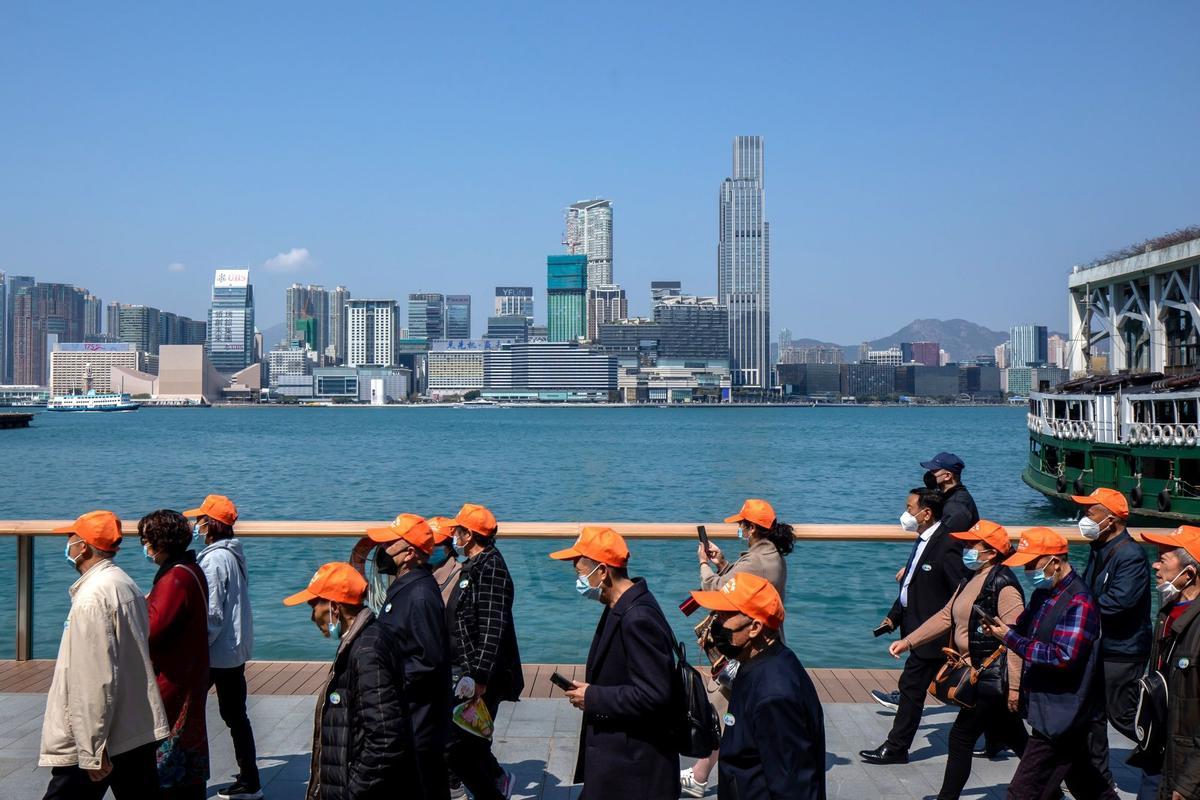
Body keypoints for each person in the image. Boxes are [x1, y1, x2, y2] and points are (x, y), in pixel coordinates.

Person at [888, 520, 1027, 800]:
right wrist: (908, 641)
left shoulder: (1004, 585)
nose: (965, 548)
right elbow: (945, 616)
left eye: (971, 545)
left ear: (990, 552)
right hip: (978, 672)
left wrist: (1014, 687)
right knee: (1017, 738)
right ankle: (1055, 786)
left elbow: (1015, 639)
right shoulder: (970, 578)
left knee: (960, 737)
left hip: (992, 676)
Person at [980, 527, 1118, 800]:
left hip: (1065, 711)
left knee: (1022, 791)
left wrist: (1009, 638)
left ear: (1055, 562)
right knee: (1085, 782)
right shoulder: (1043, 594)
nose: (1028, 570)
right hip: (1049, 705)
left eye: (1033, 563)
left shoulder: (1079, 601)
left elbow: (1062, 656)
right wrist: (1000, 630)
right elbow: (1022, 630)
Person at [39, 510, 169, 800]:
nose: (68, 545)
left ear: (83, 546)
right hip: (133, 728)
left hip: (101, 739)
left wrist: (91, 749)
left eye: (71, 538)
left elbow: (93, 679)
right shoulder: (125, 584)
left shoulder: (91, 599)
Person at [549, 527, 680, 800]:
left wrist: (593, 696)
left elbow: (656, 694)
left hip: (634, 768)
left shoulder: (637, 618)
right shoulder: (620, 605)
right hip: (618, 761)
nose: (578, 576)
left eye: (580, 571)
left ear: (603, 571)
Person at [682, 498, 794, 797]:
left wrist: (705, 565)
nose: (739, 529)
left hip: (746, 644)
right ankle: (701, 774)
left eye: (742, 525)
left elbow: (717, 589)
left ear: (752, 527)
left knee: (722, 707)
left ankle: (704, 775)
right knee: (725, 705)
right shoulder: (772, 555)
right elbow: (746, 581)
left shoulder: (754, 560)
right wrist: (723, 563)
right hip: (765, 642)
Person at [284, 562, 417, 800]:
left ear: (334, 607)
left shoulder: (367, 651)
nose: (311, 616)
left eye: (313, 605)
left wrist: (352, 789)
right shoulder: (359, 641)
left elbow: (385, 738)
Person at [690, 572, 825, 800]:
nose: (715, 623)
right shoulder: (753, 663)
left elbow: (794, 787)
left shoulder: (775, 694)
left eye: (724, 615)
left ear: (754, 627)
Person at [861, 487, 966, 765]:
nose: (906, 514)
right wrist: (894, 616)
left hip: (931, 634)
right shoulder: (923, 540)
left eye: (909, 508)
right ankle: (1005, 736)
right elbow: (911, 586)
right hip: (916, 629)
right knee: (923, 691)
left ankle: (896, 748)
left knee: (910, 688)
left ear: (926, 513)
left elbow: (960, 591)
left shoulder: (947, 544)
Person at [366, 513, 452, 800]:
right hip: (410, 714)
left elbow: (429, 659)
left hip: (420, 719)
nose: (383, 550)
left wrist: (387, 681)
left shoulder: (419, 596)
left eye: (389, 544)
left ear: (409, 554)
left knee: (425, 786)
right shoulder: (405, 587)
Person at [1072, 487, 1153, 787]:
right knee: (1093, 715)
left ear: (1112, 519)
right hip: (1100, 647)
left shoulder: (1130, 555)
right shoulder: (1099, 546)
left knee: (1122, 714)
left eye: (1091, 512)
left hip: (1122, 650)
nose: (1085, 518)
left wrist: (1076, 609)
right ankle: (1098, 777)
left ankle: (1168, 749)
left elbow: (1119, 602)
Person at [185, 494, 262, 800]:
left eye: (201, 519)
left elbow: (212, 614)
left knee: (191, 713)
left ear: (212, 524)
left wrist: (195, 650)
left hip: (217, 653)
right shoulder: (232, 553)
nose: (196, 524)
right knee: (236, 715)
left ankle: (241, 780)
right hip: (233, 649)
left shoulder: (215, 560)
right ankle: (250, 776)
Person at [444, 503, 523, 800]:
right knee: (467, 743)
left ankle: (494, 785)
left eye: (458, 530)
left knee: (464, 745)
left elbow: (492, 628)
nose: (454, 535)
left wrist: (478, 677)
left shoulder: (491, 568)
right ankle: (492, 782)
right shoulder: (475, 563)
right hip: (469, 671)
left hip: (483, 675)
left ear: (471, 535)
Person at [141, 510, 212, 799]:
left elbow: (152, 628)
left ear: (160, 541)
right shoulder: (191, 569)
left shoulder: (174, 579)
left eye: (146, 540)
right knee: (189, 746)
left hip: (173, 679)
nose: (144, 546)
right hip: (190, 673)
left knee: (171, 752)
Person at [1138, 525, 1200, 800]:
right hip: (1162, 749)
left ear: (1189, 574)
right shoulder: (1168, 612)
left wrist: (1188, 784)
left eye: (1163, 558)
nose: (1154, 565)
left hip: (1188, 765)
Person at [921, 452, 980, 535]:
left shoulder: (957, 504)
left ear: (948, 476)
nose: (930, 474)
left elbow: (948, 539)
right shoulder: (947, 496)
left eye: (934, 471)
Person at [428, 516, 463, 604]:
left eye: (435, 544)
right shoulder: (416, 569)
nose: (429, 548)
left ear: (449, 547)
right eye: (426, 542)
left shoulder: (460, 574)